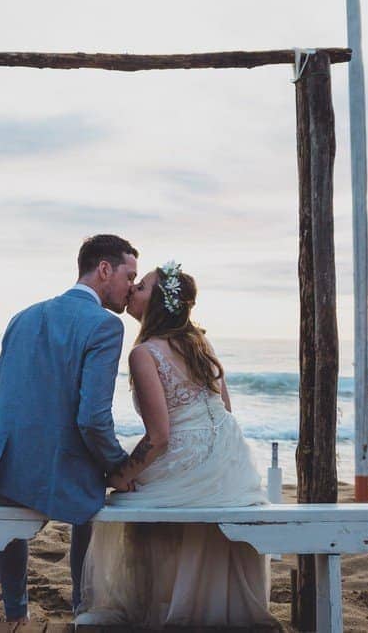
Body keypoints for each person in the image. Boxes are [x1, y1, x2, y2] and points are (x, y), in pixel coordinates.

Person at [75, 260, 275, 629]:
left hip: (188, 456)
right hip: (231, 465)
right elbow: (226, 411)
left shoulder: (144, 353)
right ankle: (194, 604)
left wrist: (121, 473)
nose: (133, 289)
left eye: (143, 286)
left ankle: (162, 604)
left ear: (158, 303)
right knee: (164, 498)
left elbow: (160, 437)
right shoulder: (201, 343)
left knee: (125, 499)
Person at [0, 234, 139, 623]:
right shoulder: (105, 326)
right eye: (129, 275)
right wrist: (118, 466)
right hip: (58, 475)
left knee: (22, 503)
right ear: (104, 270)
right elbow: (92, 419)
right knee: (93, 497)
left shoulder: (22, 316)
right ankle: (81, 607)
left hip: (2, 472)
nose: (130, 287)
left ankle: (15, 612)